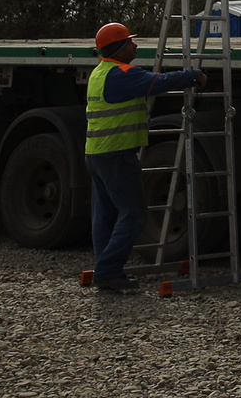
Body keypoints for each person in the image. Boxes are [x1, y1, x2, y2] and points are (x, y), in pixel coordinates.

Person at [84, 22, 202, 295]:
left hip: (97, 153)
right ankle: (108, 271)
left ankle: (106, 270)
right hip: (116, 154)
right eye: (130, 42)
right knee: (134, 213)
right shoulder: (121, 74)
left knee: (105, 216)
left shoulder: (100, 73)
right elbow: (159, 83)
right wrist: (192, 75)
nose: (135, 46)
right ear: (119, 48)